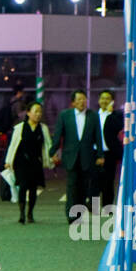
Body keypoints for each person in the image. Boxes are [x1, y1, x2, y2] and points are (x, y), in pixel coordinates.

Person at [51, 89, 101, 224]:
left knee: (84, 187)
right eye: (78, 99)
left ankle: (79, 213)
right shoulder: (65, 115)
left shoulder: (93, 116)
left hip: (87, 156)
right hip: (70, 156)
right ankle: (71, 214)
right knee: (72, 186)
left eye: (84, 99)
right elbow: (58, 135)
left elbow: (98, 136)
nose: (82, 102)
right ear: (73, 102)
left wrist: (100, 155)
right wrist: (53, 152)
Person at [4, 101, 53, 224]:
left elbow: (48, 145)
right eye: (35, 111)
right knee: (23, 187)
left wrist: (51, 158)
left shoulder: (43, 128)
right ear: (28, 113)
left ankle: (30, 212)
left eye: (40, 112)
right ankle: (21, 214)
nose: (38, 114)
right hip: (21, 162)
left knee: (33, 188)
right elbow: (12, 145)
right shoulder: (20, 128)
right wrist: (8, 161)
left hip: (36, 162)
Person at [95, 90, 124, 208]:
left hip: (110, 153)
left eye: (107, 98)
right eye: (102, 98)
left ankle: (107, 206)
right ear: (98, 100)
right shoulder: (93, 115)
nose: (104, 101)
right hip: (95, 152)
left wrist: (111, 114)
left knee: (108, 180)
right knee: (95, 180)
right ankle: (93, 205)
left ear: (112, 101)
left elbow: (120, 127)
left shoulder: (116, 115)